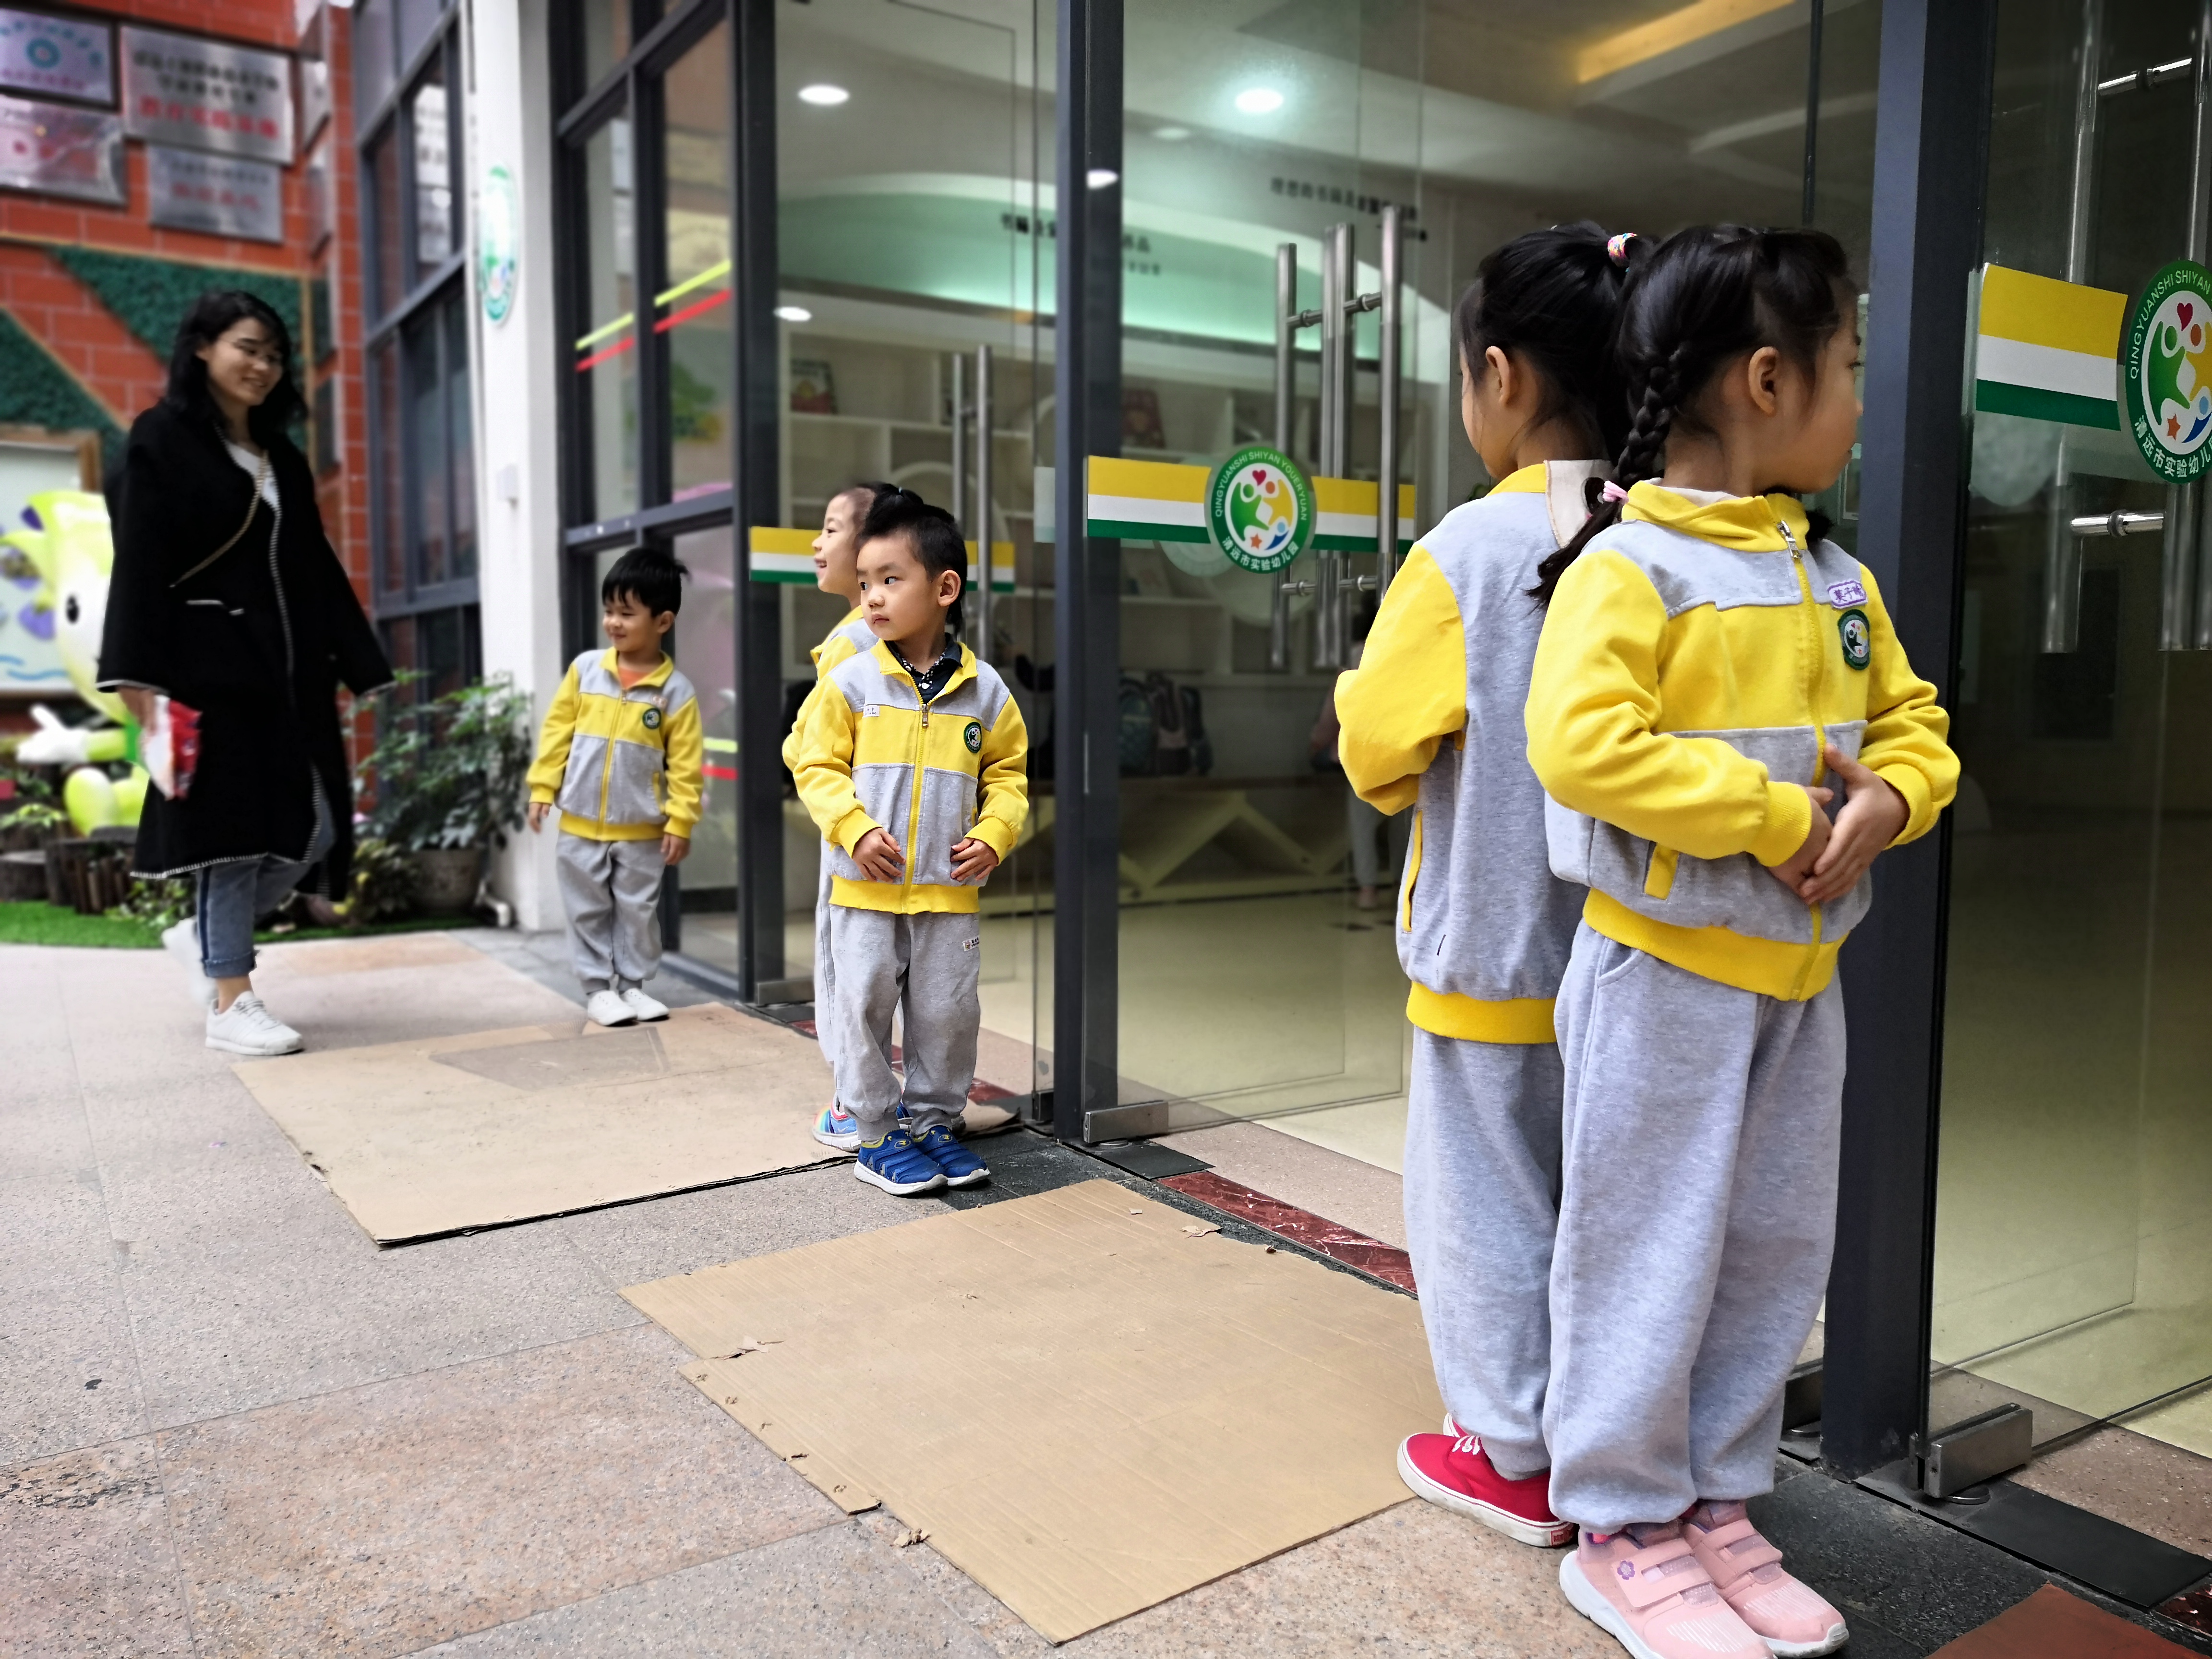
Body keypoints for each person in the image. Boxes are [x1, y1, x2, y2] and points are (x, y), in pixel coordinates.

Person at [1524, 226, 1957, 1659]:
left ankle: (1713, 1497)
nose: (1860, 399)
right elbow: (1582, 748)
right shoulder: (1629, 566)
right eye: (1850, 367)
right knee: (1643, 1250)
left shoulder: (1833, 577)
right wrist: (1769, 815)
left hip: (1797, 988)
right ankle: (1621, 1523)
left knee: (1769, 1250)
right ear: (1769, 381)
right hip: (1662, 978)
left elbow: (1914, 724)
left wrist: (1894, 797)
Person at [1335, 224, 1633, 1552]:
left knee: (1486, 1204)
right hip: (1637, 958)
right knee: (1608, 1210)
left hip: (1497, 953)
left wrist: (1363, 691)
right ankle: (1618, 1435)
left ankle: (1512, 1451)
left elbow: (1377, 751)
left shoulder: (1471, 546)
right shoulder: (1665, 526)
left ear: (1500, 378)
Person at [98, 290, 393, 1057]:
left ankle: (201, 937)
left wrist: (358, 661)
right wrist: (135, 678)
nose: (263, 366)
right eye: (248, 349)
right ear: (202, 347)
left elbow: (315, 565)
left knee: (316, 828)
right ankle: (232, 1002)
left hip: (286, 678)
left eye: (274, 355)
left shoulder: (280, 456)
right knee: (233, 838)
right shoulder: (161, 440)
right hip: (206, 674)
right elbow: (139, 563)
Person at [786, 489, 1028, 1196]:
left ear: (944, 589)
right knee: (863, 1010)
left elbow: (1008, 776)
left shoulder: (986, 691)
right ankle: (874, 1134)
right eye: (865, 582)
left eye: (890, 580)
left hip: (948, 898)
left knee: (948, 1015)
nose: (872, 597)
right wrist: (854, 828)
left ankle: (934, 1124)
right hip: (866, 892)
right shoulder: (852, 681)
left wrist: (995, 833)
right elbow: (814, 763)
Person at [525, 547, 704, 1028]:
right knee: (587, 910)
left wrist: (680, 821)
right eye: (609, 611)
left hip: (642, 829)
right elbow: (556, 734)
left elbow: (685, 765)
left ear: (662, 621)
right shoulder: (586, 671)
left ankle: (632, 986)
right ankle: (598, 990)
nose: (613, 623)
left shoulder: (676, 692)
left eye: (626, 613)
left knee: (637, 912)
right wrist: (542, 788)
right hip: (580, 824)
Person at [788, 480, 894, 1150]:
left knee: (846, 967)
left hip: (854, 831)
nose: (816, 542)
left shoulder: (854, 640)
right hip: (881, 827)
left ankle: (852, 1106)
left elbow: (808, 746)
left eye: (830, 528)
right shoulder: (882, 635)